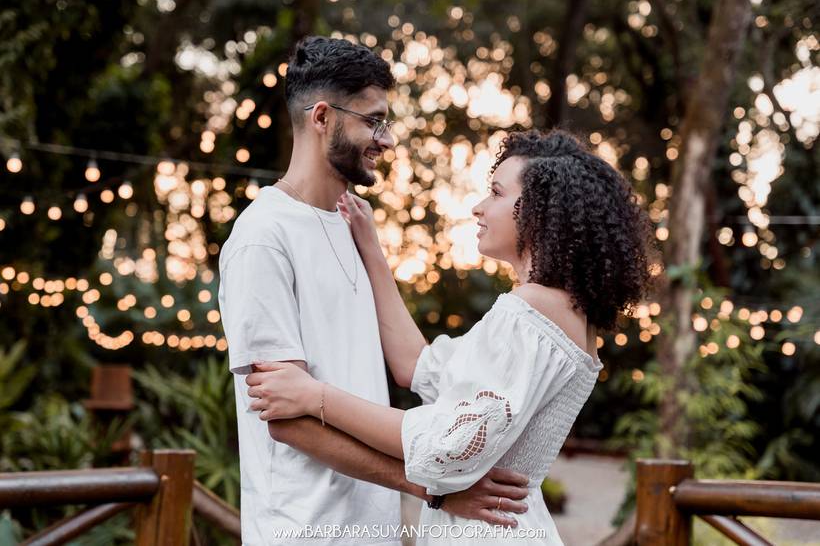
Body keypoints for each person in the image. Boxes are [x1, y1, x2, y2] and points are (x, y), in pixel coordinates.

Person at [246, 129, 655, 544]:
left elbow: (447, 445)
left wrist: (315, 396)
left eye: (496, 193)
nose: (479, 208)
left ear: (541, 212)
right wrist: (372, 249)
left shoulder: (530, 310)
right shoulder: (564, 313)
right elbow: (417, 367)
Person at [218, 36, 531, 546]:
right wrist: (434, 491)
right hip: (304, 533)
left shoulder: (351, 224)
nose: (386, 141)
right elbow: (285, 420)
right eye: (373, 120)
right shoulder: (263, 238)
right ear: (322, 117)